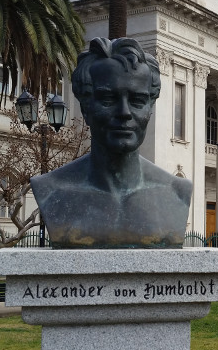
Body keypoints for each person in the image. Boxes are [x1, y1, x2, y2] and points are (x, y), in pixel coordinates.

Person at [31, 38, 192, 249]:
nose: (124, 113)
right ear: (86, 107)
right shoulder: (50, 189)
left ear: (150, 109)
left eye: (137, 101)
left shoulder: (177, 192)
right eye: (108, 99)